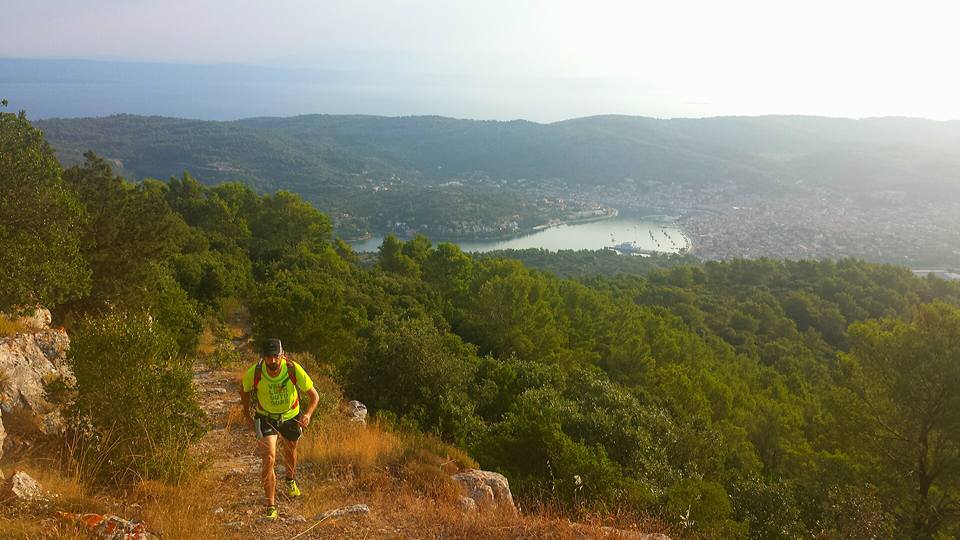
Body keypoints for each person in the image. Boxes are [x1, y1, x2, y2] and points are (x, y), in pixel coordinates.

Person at [240, 338, 320, 521]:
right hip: (265, 417)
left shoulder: (293, 369)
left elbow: (314, 395)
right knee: (269, 458)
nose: (273, 360)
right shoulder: (255, 372)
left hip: (291, 416)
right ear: (263, 357)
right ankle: (271, 505)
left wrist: (308, 414)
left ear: (283, 355)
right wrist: (247, 414)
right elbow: (244, 390)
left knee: (291, 450)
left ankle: (290, 479)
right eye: (268, 357)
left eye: (276, 356)